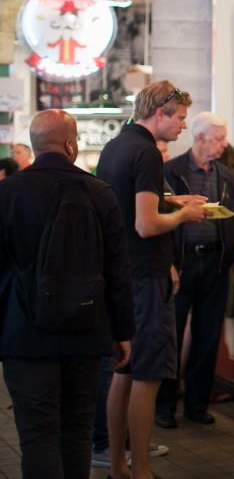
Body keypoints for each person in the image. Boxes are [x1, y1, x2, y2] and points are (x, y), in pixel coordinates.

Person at [0, 110, 134, 479]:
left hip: (24, 336)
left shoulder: (8, 192)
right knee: (77, 434)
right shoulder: (100, 194)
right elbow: (118, 271)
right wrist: (122, 333)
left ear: (34, 146)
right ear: (71, 144)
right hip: (87, 334)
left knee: (38, 436)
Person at [98, 81, 207, 479]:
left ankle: (117, 466)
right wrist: (185, 215)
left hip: (124, 275)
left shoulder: (116, 145)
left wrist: (171, 202)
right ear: (159, 112)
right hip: (145, 279)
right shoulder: (146, 152)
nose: (182, 125)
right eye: (178, 117)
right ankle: (141, 470)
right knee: (146, 376)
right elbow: (146, 225)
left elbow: (129, 208)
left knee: (123, 372)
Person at [156, 112, 234, 428]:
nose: (223, 144)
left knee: (208, 338)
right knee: (171, 336)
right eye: (218, 139)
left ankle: (197, 404)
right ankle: (164, 406)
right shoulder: (170, 171)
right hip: (182, 263)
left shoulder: (224, 175)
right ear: (200, 137)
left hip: (215, 264)